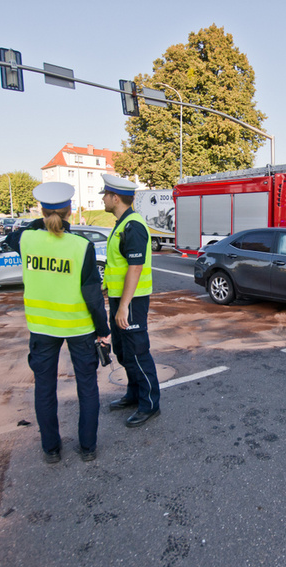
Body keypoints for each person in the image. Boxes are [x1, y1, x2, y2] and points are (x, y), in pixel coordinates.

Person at [4, 182, 111, 464]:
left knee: (44, 387)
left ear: (41, 210)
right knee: (87, 387)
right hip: (78, 327)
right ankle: (88, 447)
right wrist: (103, 330)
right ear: (70, 210)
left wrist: (42, 220)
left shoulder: (26, 240)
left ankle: (51, 449)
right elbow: (92, 294)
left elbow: (15, 235)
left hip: (41, 328)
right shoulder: (81, 246)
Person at [101, 173, 161, 428]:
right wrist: (109, 290)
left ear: (115, 197)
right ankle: (134, 394)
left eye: (105, 195)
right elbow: (119, 265)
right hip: (120, 299)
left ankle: (149, 403)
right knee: (124, 352)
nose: (102, 199)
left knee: (137, 352)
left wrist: (124, 305)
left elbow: (135, 268)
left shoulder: (132, 225)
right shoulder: (121, 223)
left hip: (132, 302)